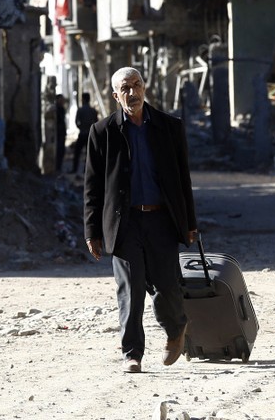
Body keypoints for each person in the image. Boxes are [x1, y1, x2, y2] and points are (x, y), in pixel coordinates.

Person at [83, 67, 198, 373]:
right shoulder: (102, 132)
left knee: (167, 287)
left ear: (145, 87)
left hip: (162, 220)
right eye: (125, 88)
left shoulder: (169, 127)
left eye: (137, 85)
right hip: (125, 223)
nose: (132, 92)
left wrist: (189, 222)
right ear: (115, 95)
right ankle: (132, 353)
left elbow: (183, 178)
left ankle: (175, 329)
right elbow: (92, 186)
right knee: (130, 290)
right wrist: (92, 231)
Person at [71, 92, 99, 174]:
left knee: (77, 152)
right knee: (89, 153)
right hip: (90, 134)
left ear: (83, 99)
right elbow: (96, 122)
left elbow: (76, 122)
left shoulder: (80, 110)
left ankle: (74, 169)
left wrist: (81, 127)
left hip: (82, 133)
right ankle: (86, 170)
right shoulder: (93, 110)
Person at [54, 94, 67, 173]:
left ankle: (59, 167)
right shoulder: (56, 109)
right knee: (58, 150)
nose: (63, 101)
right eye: (61, 99)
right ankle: (57, 167)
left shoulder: (61, 108)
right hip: (58, 133)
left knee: (61, 150)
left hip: (62, 132)